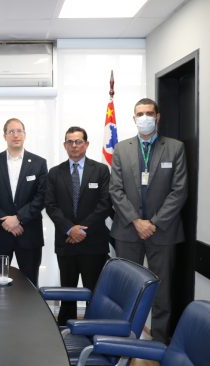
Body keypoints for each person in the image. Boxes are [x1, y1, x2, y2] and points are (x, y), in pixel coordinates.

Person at [110, 98, 188, 344]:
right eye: (140, 114)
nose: (144, 118)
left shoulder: (175, 148)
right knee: (127, 289)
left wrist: (153, 222)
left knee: (161, 292)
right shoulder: (121, 148)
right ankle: (124, 340)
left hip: (162, 231)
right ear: (134, 119)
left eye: (149, 113)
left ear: (158, 116)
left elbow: (179, 191)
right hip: (127, 231)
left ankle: (159, 342)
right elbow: (116, 190)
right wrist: (136, 220)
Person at [45, 126, 112, 324]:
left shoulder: (100, 171)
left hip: (93, 243)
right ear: (65, 145)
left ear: (86, 144)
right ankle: (65, 334)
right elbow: (50, 205)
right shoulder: (55, 173)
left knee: (93, 291)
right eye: (70, 142)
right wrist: (70, 228)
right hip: (66, 243)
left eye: (78, 141)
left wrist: (81, 230)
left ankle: (93, 331)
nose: (74, 146)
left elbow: (105, 204)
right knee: (68, 292)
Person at [0, 118, 47, 286]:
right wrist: (5, 220)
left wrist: (18, 218)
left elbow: (41, 197)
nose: (15, 135)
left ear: (25, 135)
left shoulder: (39, 163)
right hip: (0, 232)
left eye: (19, 131)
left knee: (30, 283)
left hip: (29, 233)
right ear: (4, 135)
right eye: (11, 131)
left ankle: (30, 313)